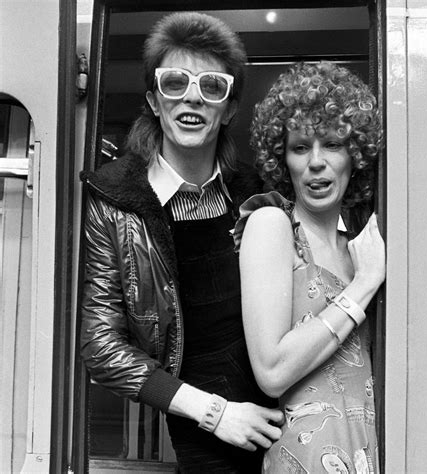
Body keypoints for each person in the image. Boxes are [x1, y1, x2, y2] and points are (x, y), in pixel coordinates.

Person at [80, 11, 282, 473]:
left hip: (286, 411)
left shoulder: (258, 193)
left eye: (211, 86)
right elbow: (101, 347)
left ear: (229, 108)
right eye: (175, 83)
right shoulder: (114, 199)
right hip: (200, 432)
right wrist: (216, 414)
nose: (192, 97)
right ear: (154, 99)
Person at [234, 61, 385, 473]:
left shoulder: (360, 244)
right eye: (300, 147)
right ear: (283, 158)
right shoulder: (272, 225)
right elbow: (272, 370)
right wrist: (365, 284)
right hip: (301, 460)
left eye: (332, 144)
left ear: (355, 155)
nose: (315, 162)